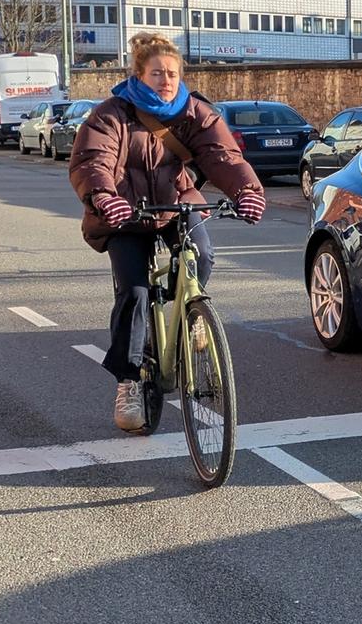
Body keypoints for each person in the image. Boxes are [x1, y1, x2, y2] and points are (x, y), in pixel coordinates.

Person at [69, 32, 267, 433]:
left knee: (204, 255)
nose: (166, 80)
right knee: (135, 292)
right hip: (126, 210)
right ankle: (128, 380)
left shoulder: (194, 112)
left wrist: (247, 190)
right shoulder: (110, 115)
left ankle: (191, 315)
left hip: (177, 202)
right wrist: (104, 197)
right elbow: (93, 160)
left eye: (173, 73)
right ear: (138, 74)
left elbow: (221, 155)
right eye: (157, 72)